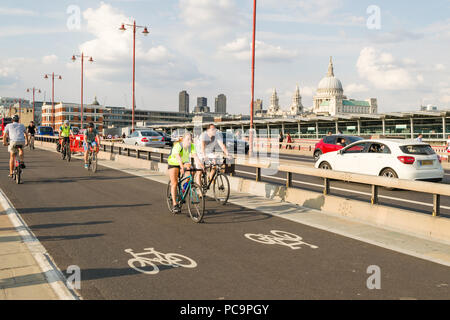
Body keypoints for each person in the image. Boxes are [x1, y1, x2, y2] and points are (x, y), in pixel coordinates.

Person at [167, 132, 204, 213]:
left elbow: (195, 156)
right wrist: (181, 167)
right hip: (173, 163)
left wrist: (201, 165)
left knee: (192, 172)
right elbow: (178, 157)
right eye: (188, 139)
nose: (190, 141)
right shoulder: (178, 145)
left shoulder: (192, 146)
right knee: (175, 183)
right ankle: (175, 204)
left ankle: (184, 188)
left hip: (184, 162)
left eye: (191, 139)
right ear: (183, 139)